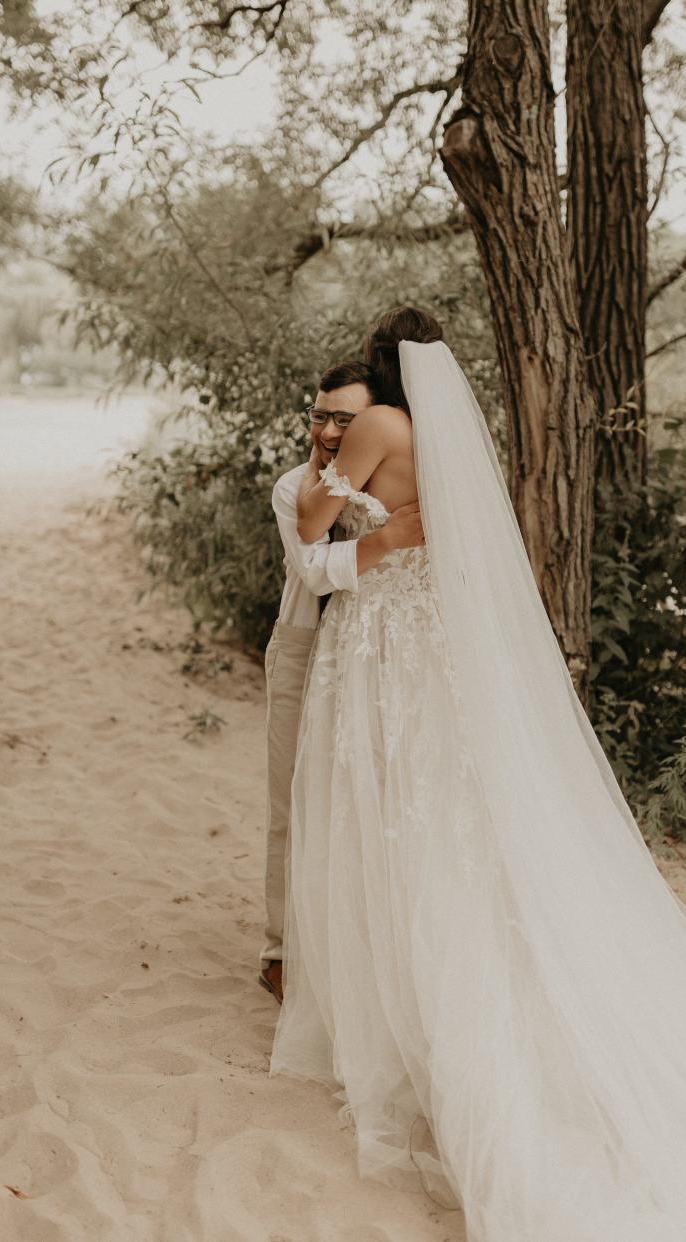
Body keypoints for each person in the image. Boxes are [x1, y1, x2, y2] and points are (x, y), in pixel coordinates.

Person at [270, 308, 686, 1242]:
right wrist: (387, 527)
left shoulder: (374, 428)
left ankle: (413, 1028)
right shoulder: (433, 437)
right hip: (428, 643)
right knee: (442, 821)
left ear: (379, 369)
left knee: (394, 819)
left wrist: (337, 490)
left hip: (386, 644)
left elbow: (316, 548)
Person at [258, 359, 424, 1004]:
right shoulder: (295, 487)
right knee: (289, 799)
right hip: (304, 647)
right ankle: (280, 951)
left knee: (360, 802)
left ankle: (348, 944)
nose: (328, 430)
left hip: (374, 655)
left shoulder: (387, 472)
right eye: (320, 415)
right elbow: (314, 570)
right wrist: (388, 541)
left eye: (343, 418)